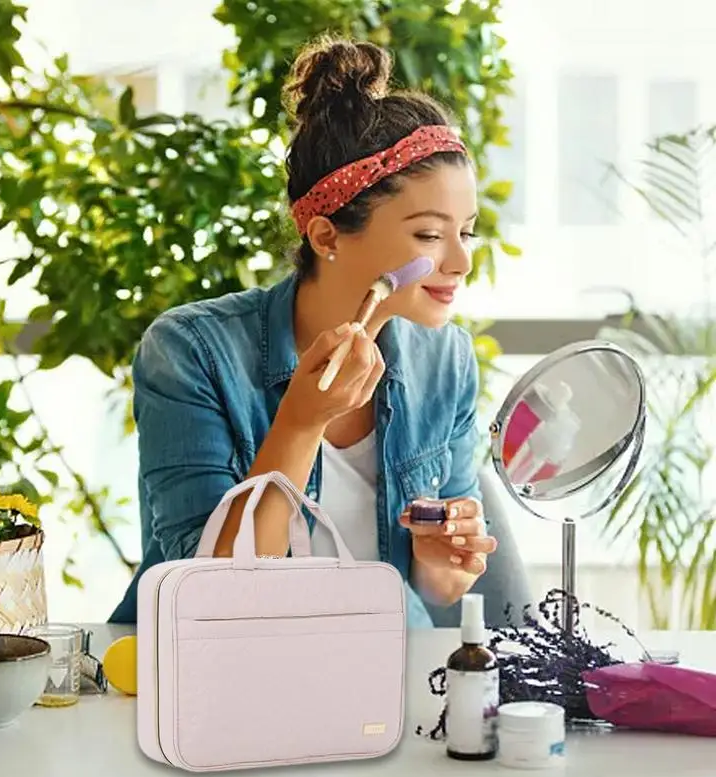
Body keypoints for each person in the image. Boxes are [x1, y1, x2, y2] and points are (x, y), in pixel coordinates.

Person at [110, 35, 501, 629]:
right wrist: (300, 422)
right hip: (212, 676)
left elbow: (438, 587)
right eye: (428, 235)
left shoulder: (445, 360)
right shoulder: (190, 352)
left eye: (466, 232)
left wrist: (445, 558)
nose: (460, 261)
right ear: (326, 237)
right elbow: (209, 593)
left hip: (373, 671)